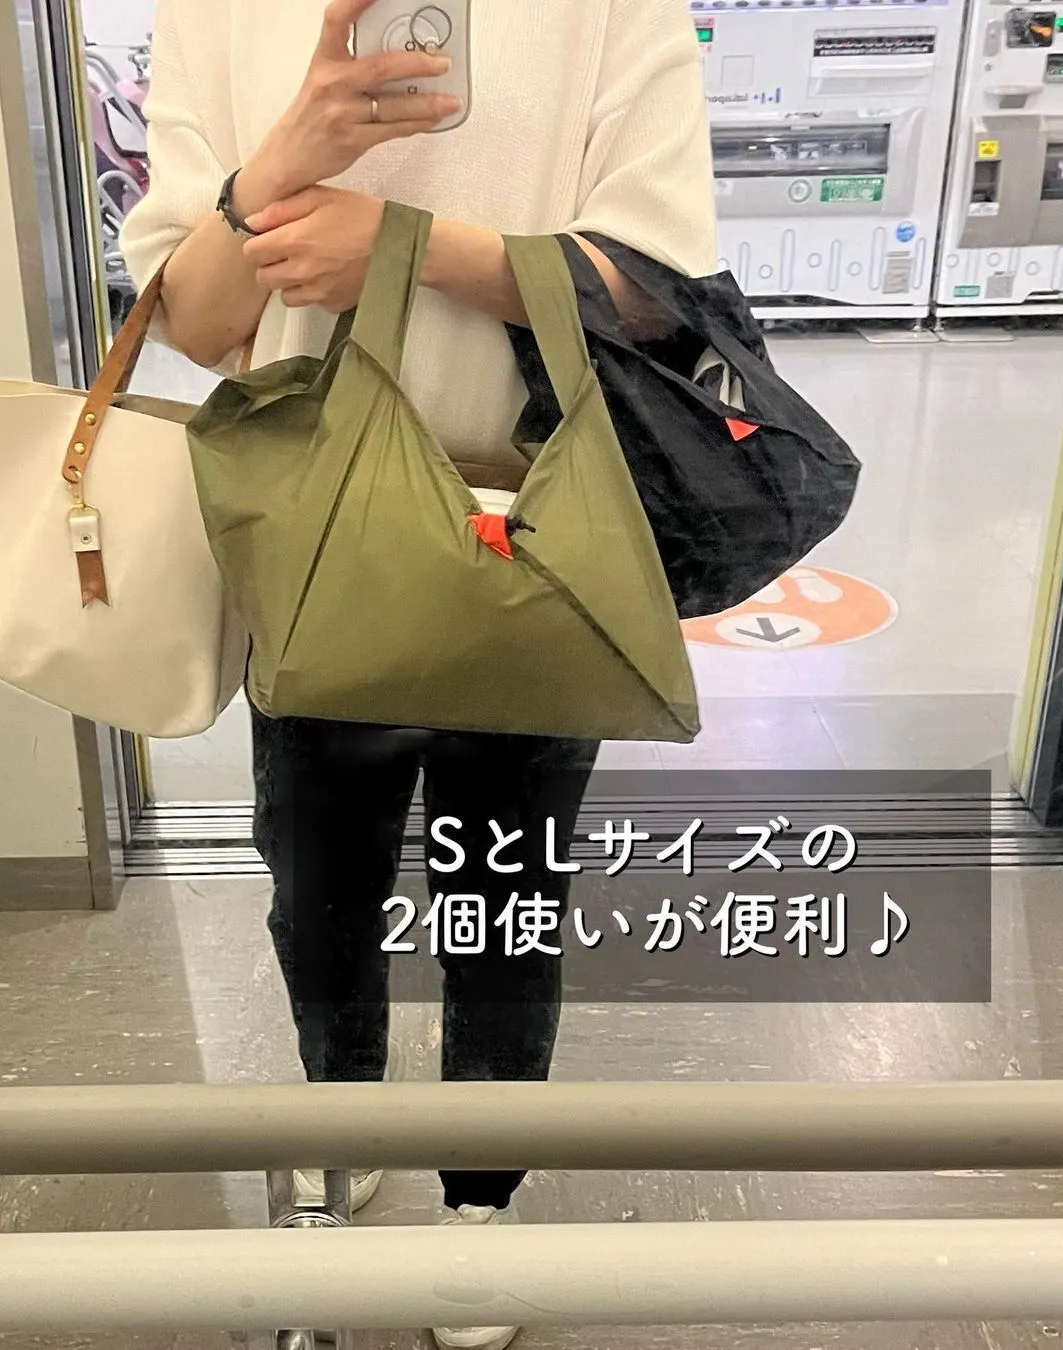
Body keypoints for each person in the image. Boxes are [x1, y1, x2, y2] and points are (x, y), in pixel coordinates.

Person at [120, 2, 716, 1345]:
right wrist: (285, 157)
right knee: (318, 894)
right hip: (314, 544)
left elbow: (660, 290)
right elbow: (197, 322)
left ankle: (478, 1203)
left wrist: (407, 245)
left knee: (504, 903)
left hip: (540, 532)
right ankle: (341, 1131)